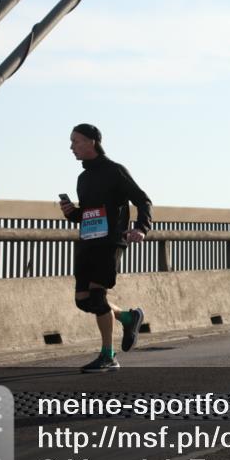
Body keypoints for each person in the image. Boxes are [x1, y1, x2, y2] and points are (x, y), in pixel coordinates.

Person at [59, 124, 152, 373]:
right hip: (88, 241)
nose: (71, 147)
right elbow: (88, 214)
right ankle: (128, 318)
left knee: (98, 297)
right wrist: (73, 213)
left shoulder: (115, 171)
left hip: (109, 242)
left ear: (92, 142)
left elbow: (143, 200)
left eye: (75, 141)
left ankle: (108, 356)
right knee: (83, 300)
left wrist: (142, 228)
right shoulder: (84, 177)